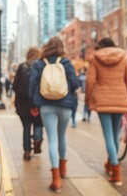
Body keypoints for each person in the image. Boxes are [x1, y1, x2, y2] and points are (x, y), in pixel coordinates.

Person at [29, 37, 79, 193]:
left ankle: (56, 179)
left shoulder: (39, 63)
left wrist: (33, 104)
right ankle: (63, 170)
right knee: (62, 136)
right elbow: (75, 83)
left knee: (52, 139)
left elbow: (32, 84)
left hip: (46, 105)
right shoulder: (66, 62)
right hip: (65, 105)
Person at [85, 38, 127, 187]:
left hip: (103, 100)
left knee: (108, 136)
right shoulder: (124, 57)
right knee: (114, 135)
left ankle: (116, 171)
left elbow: (90, 81)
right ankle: (110, 164)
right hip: (120, 98)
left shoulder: (95, 58)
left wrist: (88, 99)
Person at [13, 47, 43, 161]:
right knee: (38, 124)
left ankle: (27, 152)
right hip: (37, 103)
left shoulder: (22, 66)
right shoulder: (41, 66)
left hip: (23, 104)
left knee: (26, 128)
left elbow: (15, 85)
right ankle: (37, 138)